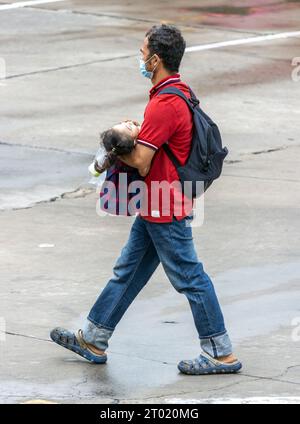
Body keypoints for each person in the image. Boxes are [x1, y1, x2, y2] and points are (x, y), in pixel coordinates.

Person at [50, 24, 242, 375]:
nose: (139, 57)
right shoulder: (175, 93)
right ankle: (94, 337)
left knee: (189, 276)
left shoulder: (166, 103)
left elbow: (141, 160)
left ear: (155, 59)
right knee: (128, 271)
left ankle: (220, 351)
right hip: (154, 203)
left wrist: (114, 144)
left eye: (142, 52)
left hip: (164, 206)